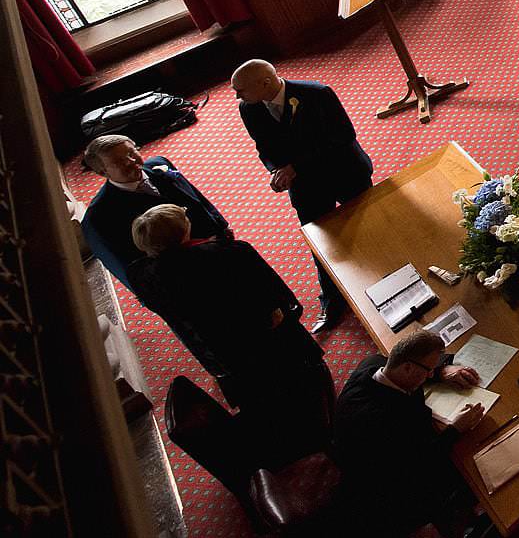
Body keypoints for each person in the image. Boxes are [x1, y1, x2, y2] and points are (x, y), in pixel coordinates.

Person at [129, 204, 330, 457]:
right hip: (265, 337)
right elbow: (274, 291)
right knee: (303, 383)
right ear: (183, 230)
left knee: (263, 398)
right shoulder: (231, 253)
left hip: (221, 352)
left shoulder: (142, 276)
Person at [234, 60, 374, 332]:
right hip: (307, 186)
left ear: (265, 83)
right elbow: (264, 146)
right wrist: (276, 170)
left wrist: (295, 166)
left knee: (367, 228)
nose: (237, 97)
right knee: (320, 240)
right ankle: (332, 300)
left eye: (240, 90)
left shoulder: (317, 94)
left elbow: (343, 137)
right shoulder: (248, 108)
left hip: (345, 172)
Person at [333, 329, 487, 537]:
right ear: (407, 367)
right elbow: (422, 462)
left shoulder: (372, 364)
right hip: (388, 493)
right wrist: (455, 429)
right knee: (472, 465)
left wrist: (443, 371)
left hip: (385, 459)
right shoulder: (384, 422)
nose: (430, 375)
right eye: (428, 370)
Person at [80, 134, 229, 290]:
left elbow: (195, 197)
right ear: (103, 172)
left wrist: (221, 227)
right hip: (185, 278)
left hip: (219, 247)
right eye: (119, 161)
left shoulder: (159, 164)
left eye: (131, 153)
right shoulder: (99, 217)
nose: (131, 161)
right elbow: (129, 269)